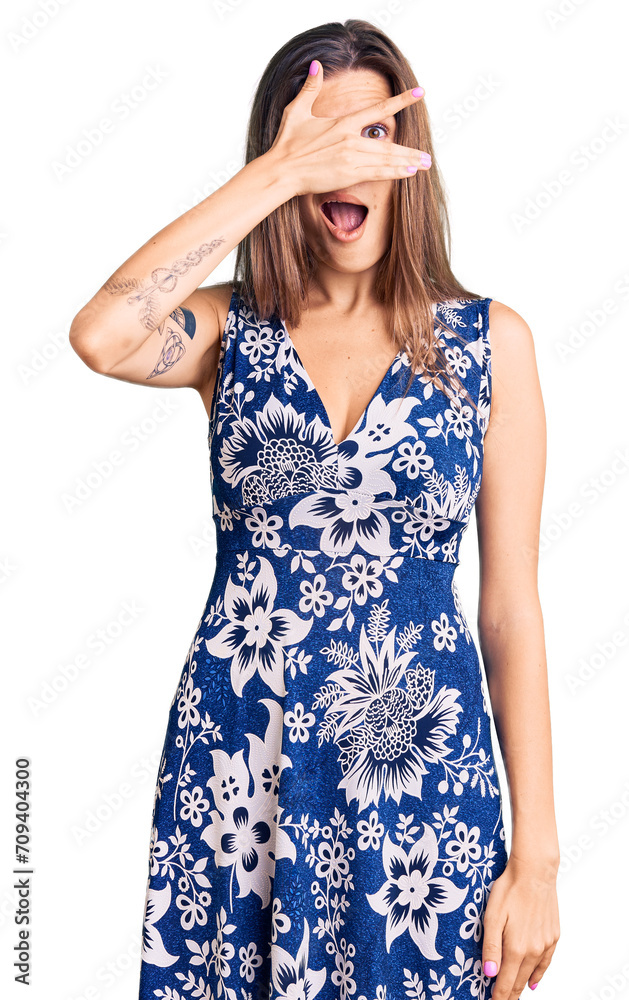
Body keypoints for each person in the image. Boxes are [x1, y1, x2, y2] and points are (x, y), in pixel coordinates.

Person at [69, 19, 560, 1000]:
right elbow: (101, 334)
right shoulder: (227, 332)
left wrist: (538, 861)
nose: (348, 161)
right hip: (241, 760)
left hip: (422, 777)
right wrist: (276, 175)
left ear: (409, 161)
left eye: (371, 133)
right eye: (320, 139)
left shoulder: (487, 343)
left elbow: (509, 608)